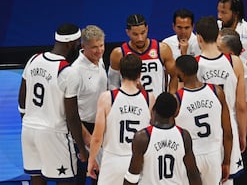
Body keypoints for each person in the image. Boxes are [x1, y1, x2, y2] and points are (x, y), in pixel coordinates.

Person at [17, 23, 87, 185]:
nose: (79, 47)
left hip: (28, 129)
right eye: (78, 43)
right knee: (66, 180)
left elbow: (22, 98)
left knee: (36, 177)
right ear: (71, 44)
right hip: (54, 133)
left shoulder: (33, 59)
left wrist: (28, 120)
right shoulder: (68, 72)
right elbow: (71, 115)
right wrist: (81, 148)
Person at [194, 16, 247, 185]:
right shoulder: (235, 61)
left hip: (203, 131)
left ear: (199, 38)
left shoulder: (195, 65)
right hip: (228, 126)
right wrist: (242, 134)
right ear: (218, 36)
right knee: (227, 180)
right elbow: (241, 105)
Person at [87, 54, 155, 184]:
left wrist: (92, 160)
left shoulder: (107, 97)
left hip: (113, 160)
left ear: (120, 73)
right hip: (138, 161)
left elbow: (97, 137)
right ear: (140, 74)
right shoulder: (149, 98)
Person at [174, 55, 233, 184]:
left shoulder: (177, 98)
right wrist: (227, 161)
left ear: (180, 73)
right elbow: (228, 132)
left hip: (189, 157)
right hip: (213, 154)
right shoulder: (217, 91)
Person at [124, 92, 202, 185]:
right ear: (175, 113)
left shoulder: (142, 137)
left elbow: (133, 176)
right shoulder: (184, 136)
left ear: (153, 109)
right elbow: (193, 173)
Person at [217, 28, 247, 185]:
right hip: (226, 132)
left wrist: (240, 134)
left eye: (219, 49)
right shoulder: (218, 66)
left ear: (231, 52)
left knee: (241, 178)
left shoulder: (245, 74)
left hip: (241, 132)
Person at [108, 14, 178, 96]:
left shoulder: (162, 49)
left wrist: (171, 97)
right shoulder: (119, 54)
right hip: (132, 105)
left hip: (157, 105)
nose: (140, 38)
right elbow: (112, 84)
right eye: (135, 34)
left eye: (143, 33)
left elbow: (174, 76)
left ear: (147, 29)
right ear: (127, 32)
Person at [72, 25, 107, 185]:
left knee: (99, 173)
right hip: (83, 128)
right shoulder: (75, 71)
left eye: (101, 45)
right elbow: (70, 109)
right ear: (83, 46)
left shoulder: (100, 61)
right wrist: (86, 138)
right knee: (82, 173)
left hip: (100, 126)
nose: (99, 50)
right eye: (94, 47)